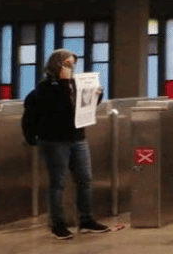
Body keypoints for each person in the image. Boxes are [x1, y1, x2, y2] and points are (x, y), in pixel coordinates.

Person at [22, 49, 110, 240]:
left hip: (77, 137)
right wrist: (63, 82)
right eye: (67, 64)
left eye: (73, 64)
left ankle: (86, 220)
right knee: (58, 182)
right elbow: (58, 106)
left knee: (85, 179)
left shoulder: (75, 85)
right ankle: (58, 224)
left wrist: (96, 95)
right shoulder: (45, 87)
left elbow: (82, 108)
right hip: (54, 140)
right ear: (57, 65)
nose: (71, 68)